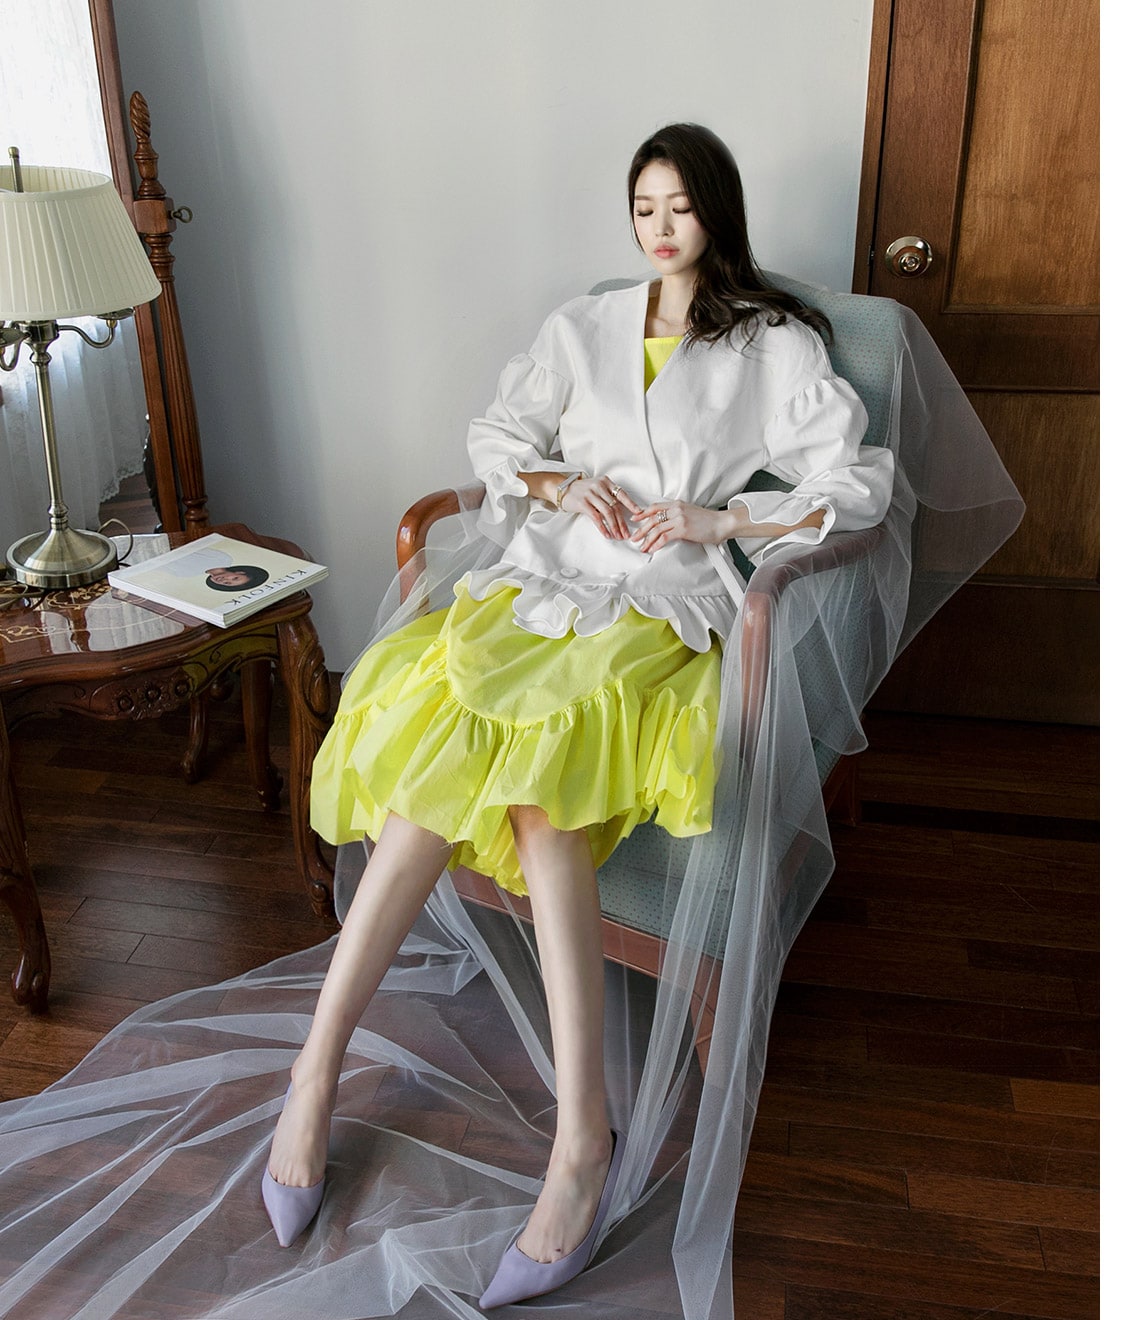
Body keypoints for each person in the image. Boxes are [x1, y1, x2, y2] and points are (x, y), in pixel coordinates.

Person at [262, 122, 894, 1308]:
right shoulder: (584, 324)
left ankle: (580, 1145)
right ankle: (314, 1073)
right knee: (432, 764)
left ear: (717, 212)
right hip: (544, 579)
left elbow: (856, 482)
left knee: (546, 795)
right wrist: (563, 483)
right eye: (643, 208)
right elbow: (498, 438)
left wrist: (719, 522)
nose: (660, 229)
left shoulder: (775, 342)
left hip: (662, 604)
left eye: (680, 207)